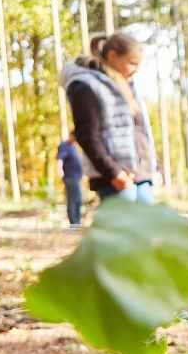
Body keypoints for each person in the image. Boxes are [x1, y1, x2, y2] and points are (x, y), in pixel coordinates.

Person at [59, 32, 158, 204]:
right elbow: (87, 135)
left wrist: (153, 167)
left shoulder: (127, 86)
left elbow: (140, 131)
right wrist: (114, 173)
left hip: (140, 174)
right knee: (123, 229)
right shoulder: (85, 85)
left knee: (148, 228)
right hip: (114, 177)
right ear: (112, 56)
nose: (136, 70)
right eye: (132, 63)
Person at [55, 133, 83, 229]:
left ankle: (77, 222)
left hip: (76, 177)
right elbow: (59, 159)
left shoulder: (73, 147)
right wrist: (59, 170)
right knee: (73, 199)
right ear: (71, 135)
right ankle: (74, 223)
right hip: (69, 177)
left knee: (78, 199)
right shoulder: (64, 146)